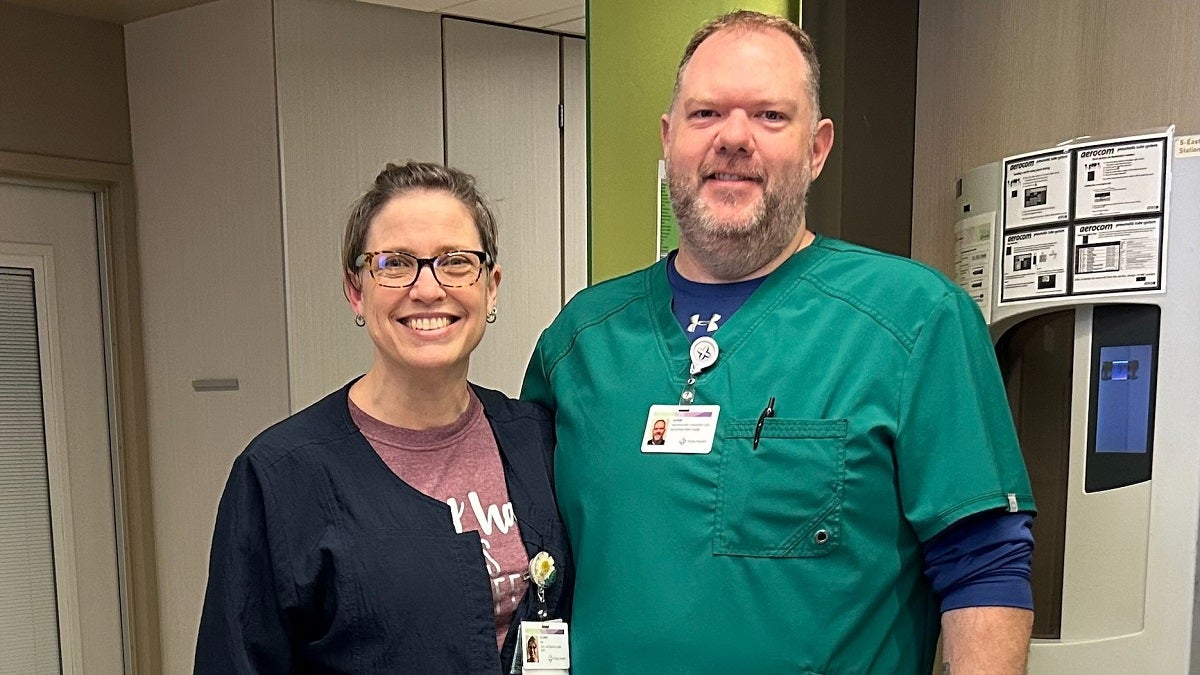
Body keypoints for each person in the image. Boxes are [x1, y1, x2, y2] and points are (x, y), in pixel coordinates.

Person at [522, 10, 1034, 675]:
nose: (733, 138)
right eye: (706, 114)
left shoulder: (916, 321)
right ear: (669, 138)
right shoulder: (580, 339)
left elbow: (985, 564)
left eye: (769, 116)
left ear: (817, 148)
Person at [195, 161, 571, 673]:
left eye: (456, 261)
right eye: (395, 263)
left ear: (491, 286)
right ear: (356, 289)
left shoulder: (538, 441)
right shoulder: (282, 475)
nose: (428, 288)